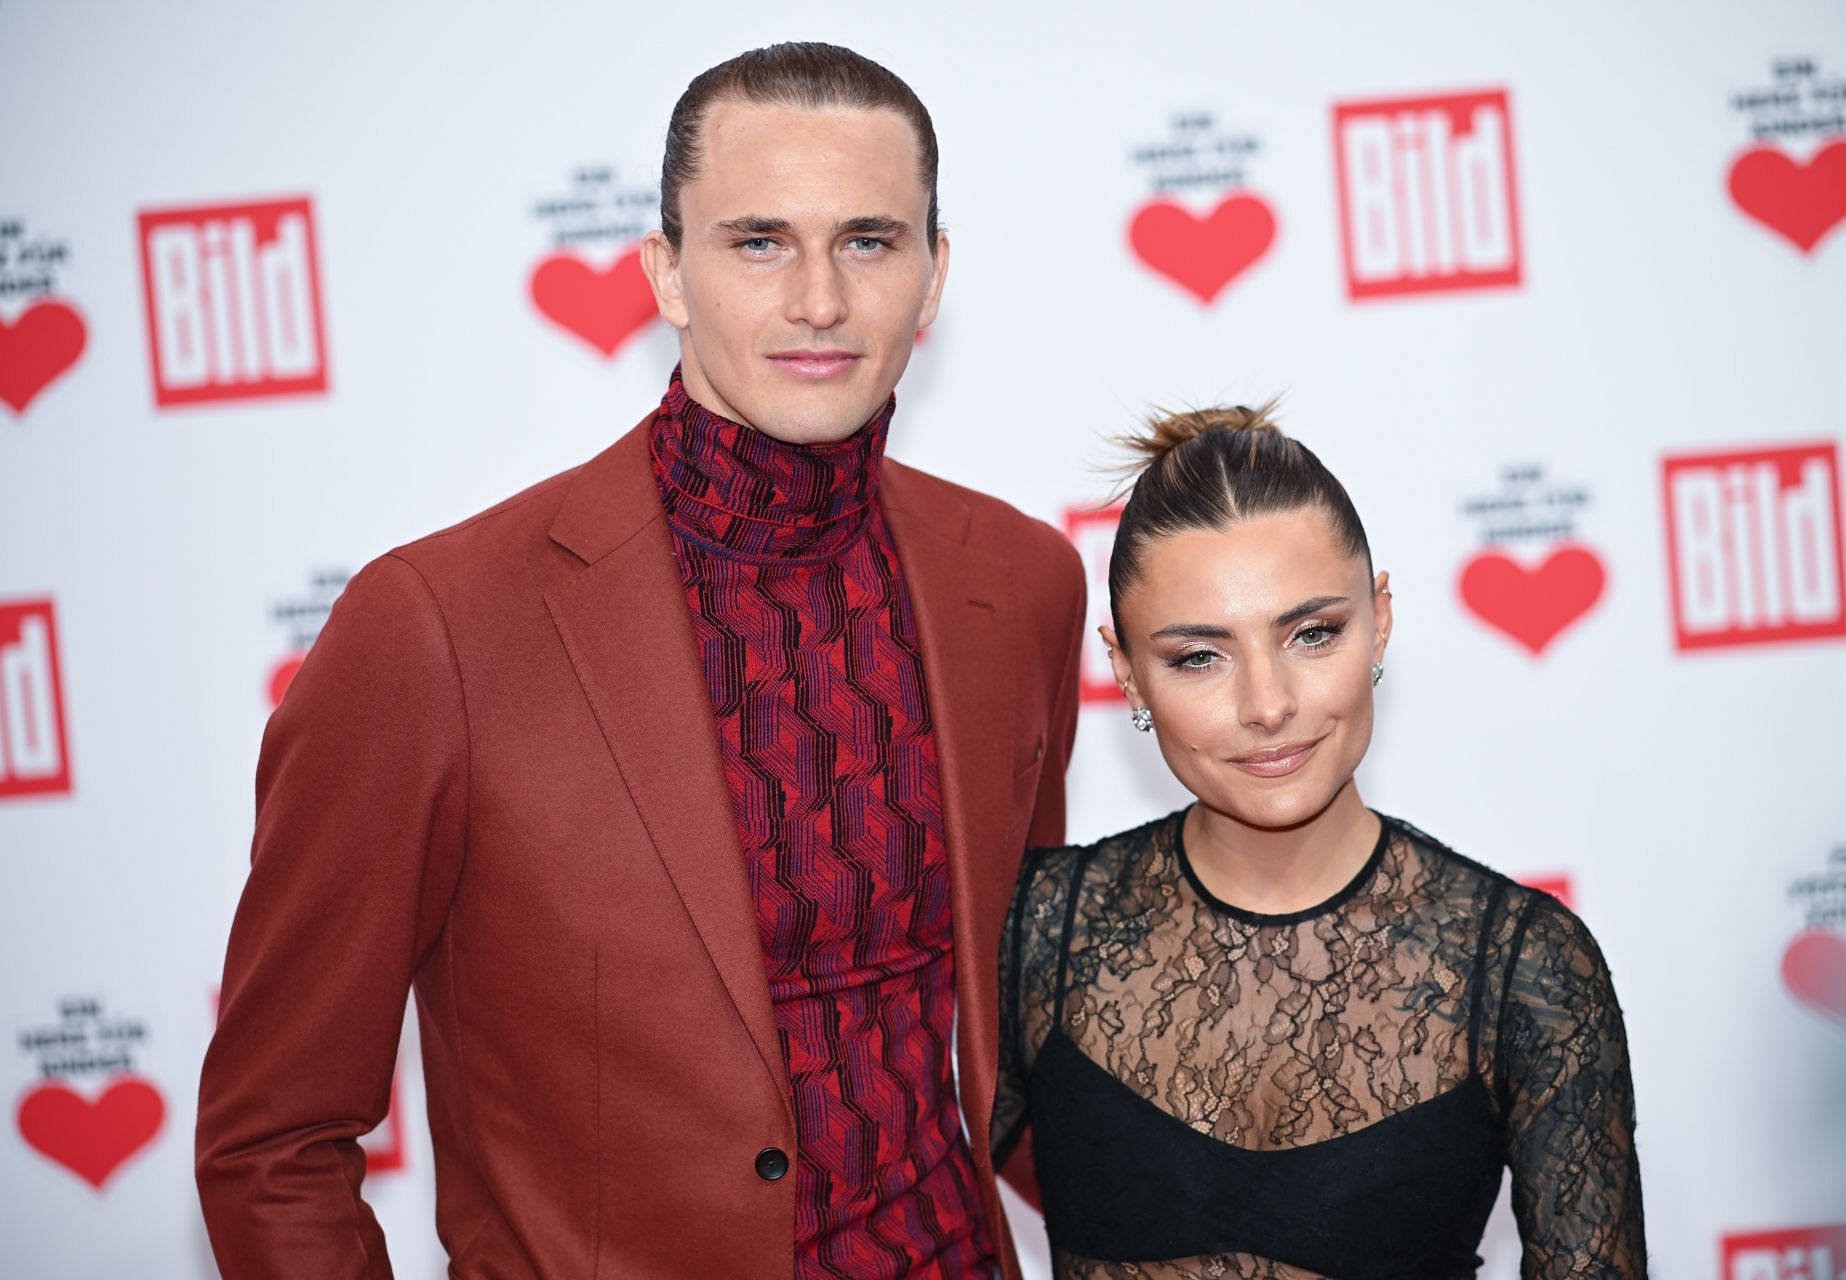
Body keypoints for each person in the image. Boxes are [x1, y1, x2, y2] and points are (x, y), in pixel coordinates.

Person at [197, 43, 1085, 1279]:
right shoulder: (434, 627)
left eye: (871, 241)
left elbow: (1031, 1033)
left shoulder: (1021, 580)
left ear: (935, 277)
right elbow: (273, 1135)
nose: (819, 299)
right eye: (759, 241)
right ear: (666, 272)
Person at [991, 406, 1645, 1279]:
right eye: (1199, 657)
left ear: (1379, 618)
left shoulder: (1525, 968)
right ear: (1124, 670)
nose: (1268, 705)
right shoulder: (1040, 929)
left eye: (1311, 634)